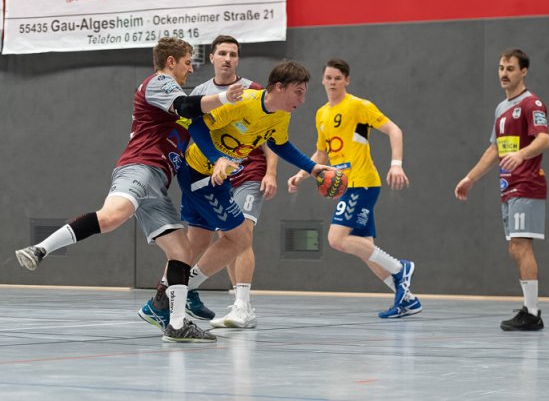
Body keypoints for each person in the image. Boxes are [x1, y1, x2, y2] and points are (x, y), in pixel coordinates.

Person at [15, 37, 243, 343]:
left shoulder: (178, 111)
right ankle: (40, 249)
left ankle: (177, 325)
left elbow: (194, 123)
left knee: (181, 252)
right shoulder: (160, 82)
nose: (191, 69)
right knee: (113, 216)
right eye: (188, 62)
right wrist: (225, 97)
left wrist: (220, 158)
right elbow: (186, 105)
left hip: (158, 184)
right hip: (139, 167)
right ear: (171, 61)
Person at [143, 60, 331, 329]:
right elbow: (197, 126)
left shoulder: (281, 115)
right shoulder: (243, 102)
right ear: (279, 87)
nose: (302, 100)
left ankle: (161, 302)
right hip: (199, 174)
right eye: (298, 92)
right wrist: (217, 158)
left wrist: (313, 168)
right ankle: (176, 294)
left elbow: (281, 144)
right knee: (240, 238)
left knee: (197, 241)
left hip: (218, 177)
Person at [139, 35, 278, 330]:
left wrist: (271, 172)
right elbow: (191, 134)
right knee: (198, 240)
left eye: (233, 54)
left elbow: (270, 136)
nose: (228, 58)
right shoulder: (200, 94)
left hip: (247, 171)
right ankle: (169, 296)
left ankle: (241, 305)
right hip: (207, 173)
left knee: (241, 233)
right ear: (212, 58)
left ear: (238, 60)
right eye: (222, 53)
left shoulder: (252, 90)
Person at [287, 58, 419, 319]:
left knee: (336, 239)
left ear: (346, 80)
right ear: (322, 80)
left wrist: (396, 164)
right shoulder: (321, 114)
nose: (332, 82)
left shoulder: (359, 106)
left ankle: (400, 268)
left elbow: (394, 130)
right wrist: (302, 174)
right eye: (328, 77)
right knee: (366, 249)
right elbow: (322, 153)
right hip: (346, 185)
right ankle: (407, 299)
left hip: (362, 182)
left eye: (338, 78)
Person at [454, 49, 549, 332]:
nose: (504, 74)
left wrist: (521, 154)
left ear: (524, 71)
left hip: (527, 184)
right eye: (501, 68)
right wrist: (470, 178)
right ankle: (529, 308)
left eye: (510, 68)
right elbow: (495, 149)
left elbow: (544, 139)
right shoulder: (500, 109)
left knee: (521, 246)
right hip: (508, 186)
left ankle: (532, 313)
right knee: (514, 248)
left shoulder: (532, 103)